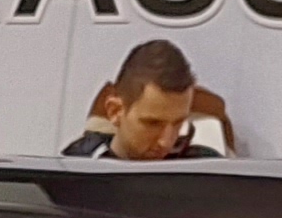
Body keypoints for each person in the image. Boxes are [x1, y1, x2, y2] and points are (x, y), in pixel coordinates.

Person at [65, 39, 237, 159]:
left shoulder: (207, 171)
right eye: (153, 123)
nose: (166, 142)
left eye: (178, 123)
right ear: (115, 111)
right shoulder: (76, 170)